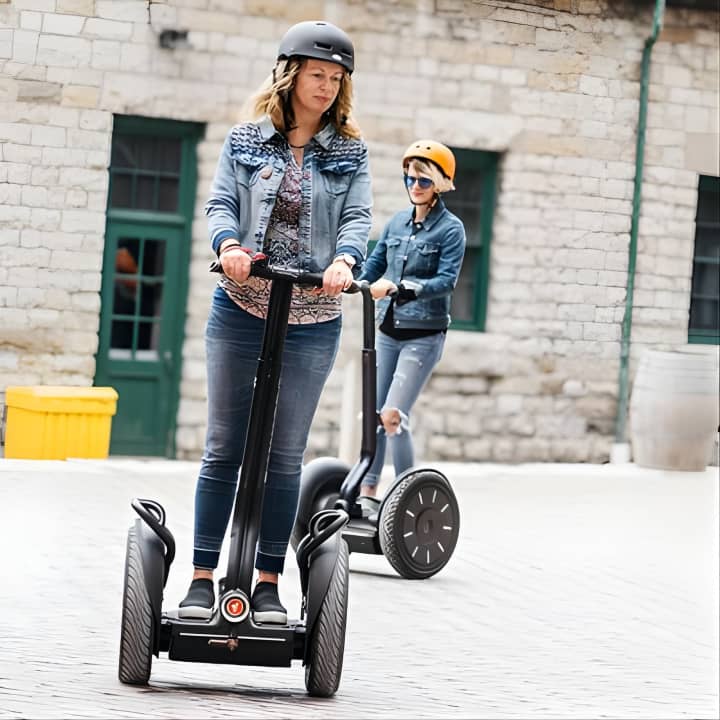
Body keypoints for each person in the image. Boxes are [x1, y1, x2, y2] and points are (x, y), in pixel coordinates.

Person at [178, 20, 372, 623]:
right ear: (290, 74)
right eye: (318, 74)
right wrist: (228, 244)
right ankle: (202, 576)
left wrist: (344, 259)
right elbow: (220, 204)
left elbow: (358, 218)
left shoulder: (349, 153)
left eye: (336, 78)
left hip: (313, 313)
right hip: (241, 306)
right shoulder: (244, 142)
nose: (327, 86)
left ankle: (267, 582)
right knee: (222, 449)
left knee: (286, 455)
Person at [358, 140, 465, 498]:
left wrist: (400, 288)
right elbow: (373, 266)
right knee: (372, 416)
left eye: (423, 181)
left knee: (392, 416)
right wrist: (350, 279)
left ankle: (406, 495)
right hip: (388, 330)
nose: (415, 187)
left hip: (424, 334)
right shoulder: (396, 223)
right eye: (410, 179)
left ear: (440, 183)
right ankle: (369, 491)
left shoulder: (451, 230)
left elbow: (445, 282)